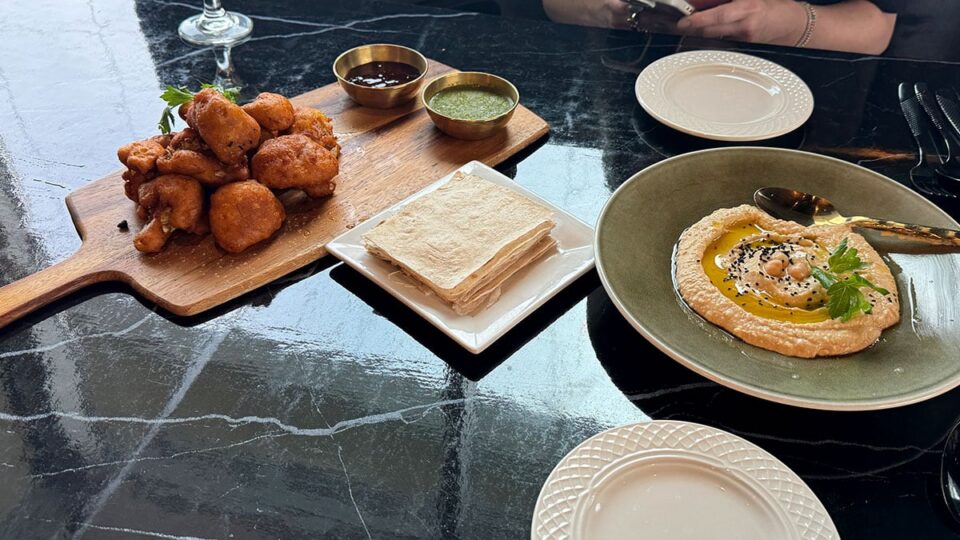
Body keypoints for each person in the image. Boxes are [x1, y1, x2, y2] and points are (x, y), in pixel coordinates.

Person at [542, 0, 897, 56]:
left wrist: (790, 23)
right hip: (611, 73)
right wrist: (609, 12)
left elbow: (877, 27)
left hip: (796, 87)